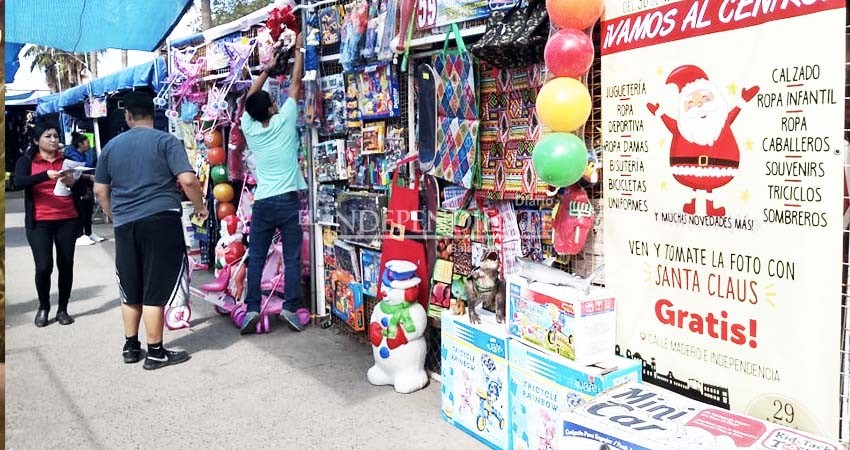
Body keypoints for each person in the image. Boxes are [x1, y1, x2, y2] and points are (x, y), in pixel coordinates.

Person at [94, 92, 208, 370]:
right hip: (161, 220)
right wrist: (200, 207)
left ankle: (131, 346)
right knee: (154, 286)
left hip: (125, 224)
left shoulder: (110, 147)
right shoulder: (166, 141)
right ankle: (156, 351)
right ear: (152, 115)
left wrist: (112, 214)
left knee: (130, 286)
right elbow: (188, 180)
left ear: (128, 116)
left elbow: (100, 190)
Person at [239, 33, 307, 334]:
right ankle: (291, 309)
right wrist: (299, 50)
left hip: (263, 201)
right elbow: (295, 85)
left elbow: (247, 101)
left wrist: (266, 70)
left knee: (256, 256)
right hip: (288, 201)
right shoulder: (285, 120)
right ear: (270, 108)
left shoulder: (250, 128)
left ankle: (252, 306)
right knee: (291, 257)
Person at [14, 122, 83, 327]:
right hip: (39, 222)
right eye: (48, 136)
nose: (53, 140)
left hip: (67, 219)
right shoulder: (26, 161)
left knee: (66, 264)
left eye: (55, 136)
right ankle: (44, 306)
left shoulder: (67, 162)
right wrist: (45, 175)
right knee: (44, 267)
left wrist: (73, 183)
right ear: (37, 141)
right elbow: (19, 181)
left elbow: (81, 191)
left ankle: (63, 308)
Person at [65, 132, 105, 245]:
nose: (89, 145)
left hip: (87, 185)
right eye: (87, 142)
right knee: (80, 210)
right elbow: (72, 173)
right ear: (80, 144)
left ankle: (89, 232)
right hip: (77, 187)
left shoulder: (85, 155)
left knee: (88, 209)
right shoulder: (72, 156)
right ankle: (79, 234)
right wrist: (88, 176)